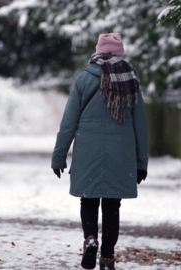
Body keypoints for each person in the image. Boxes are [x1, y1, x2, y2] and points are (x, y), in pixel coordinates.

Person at [51, 33, 149, 270]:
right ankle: (107, 256)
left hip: (88, 149)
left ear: (98, 51)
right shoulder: (129, 79)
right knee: (112, 204)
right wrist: (141, 162)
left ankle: (90, 239)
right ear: (120, 52)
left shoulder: (84, 79)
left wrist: (59, 156)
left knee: (89, 198)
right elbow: (140, 125)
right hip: (121, 151)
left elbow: (69, 122)